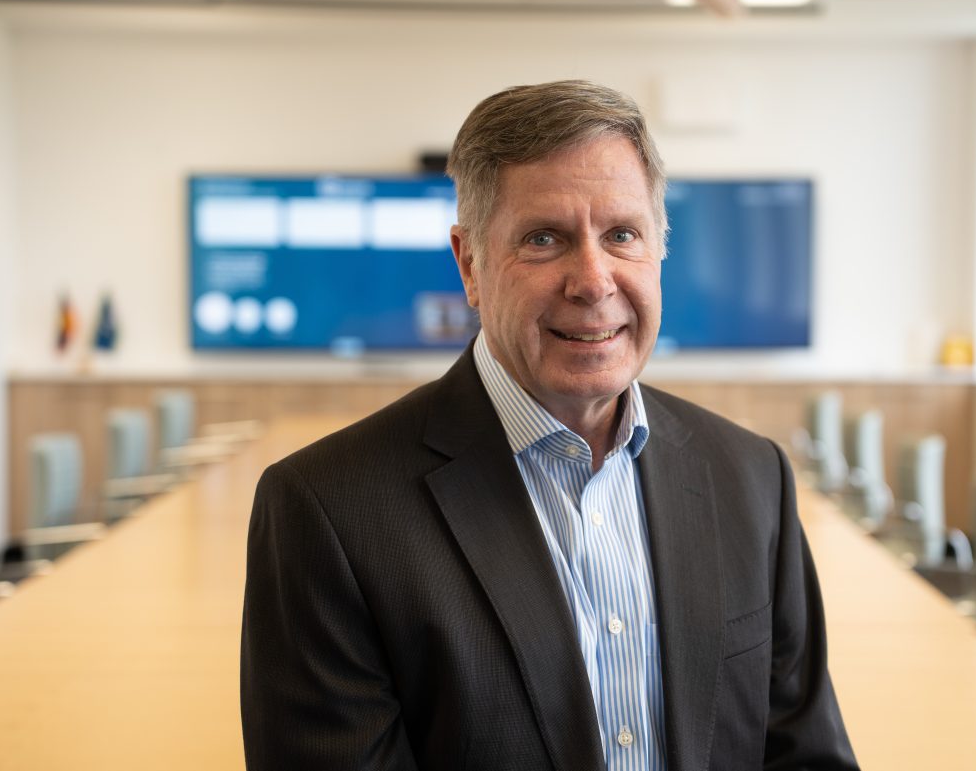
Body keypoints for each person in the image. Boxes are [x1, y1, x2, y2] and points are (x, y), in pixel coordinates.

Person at [241, 80, 858, 771]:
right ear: (470, 264)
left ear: (659, 249)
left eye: (621, 234)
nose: (593, 280)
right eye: (544, 239)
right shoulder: (330, 509)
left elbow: (804, 753)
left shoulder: (752, 477)